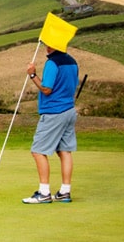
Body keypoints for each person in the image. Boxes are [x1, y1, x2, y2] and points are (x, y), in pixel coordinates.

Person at [21, 45, 79, 204]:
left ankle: (44, 193)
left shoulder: (53, 63)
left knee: (38, 151)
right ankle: (64, 192)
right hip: (69, 110)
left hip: (54, 112)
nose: (46, 46)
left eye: (49, 44)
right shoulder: (72, 61)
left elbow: (46, 89)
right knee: (64, 151)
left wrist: (32, 74)